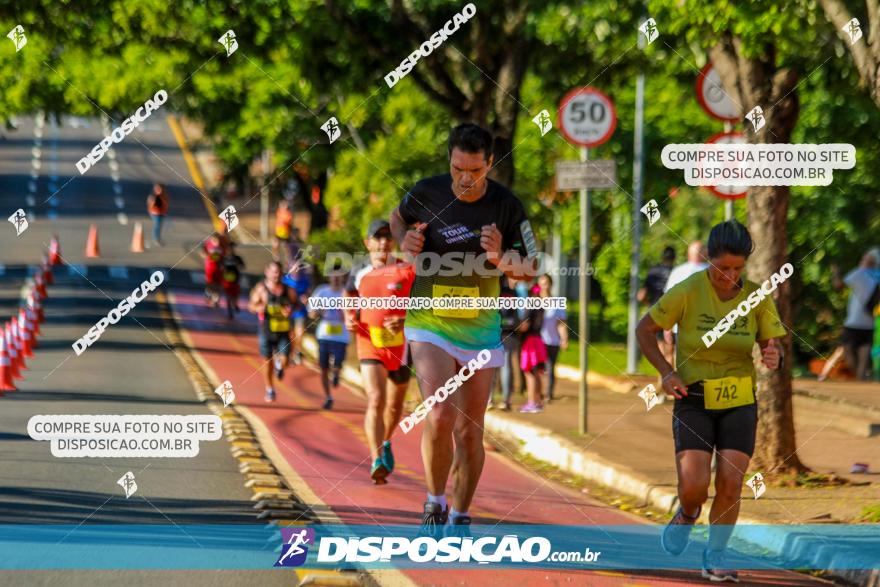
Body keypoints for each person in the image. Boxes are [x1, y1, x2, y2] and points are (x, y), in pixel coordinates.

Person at [389, 123, 537, 531]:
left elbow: (532, 266)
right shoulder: (426, 192)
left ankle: (461, 513)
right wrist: (405, 243)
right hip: (429, 322)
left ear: (490, 164)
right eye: (458, 169)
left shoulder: (508, 206)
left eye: (475, 170)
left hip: (481, 329)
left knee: (471, 431)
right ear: (449, 161)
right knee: (439, 413)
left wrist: (501, 258)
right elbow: (396, 218)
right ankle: (434, 502)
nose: (465, 179)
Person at [635, 220, 785, 582]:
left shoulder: (756, 296)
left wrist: (772, 353)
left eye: (737, 269)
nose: (730, 276)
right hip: (693, 397)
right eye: (722, 268)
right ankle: (687, 514)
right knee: (694, 488)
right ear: (708, 260)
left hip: (739, 398)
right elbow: (645, 329)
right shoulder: (687, 290)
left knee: (732, 482)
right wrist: (666, 372)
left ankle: (715, 553)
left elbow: (771, 342)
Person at [344, 219, 416, 484]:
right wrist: (348, 316)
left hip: (401, 346)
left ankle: (386, 441)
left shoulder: (407, 270)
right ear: (368, 243)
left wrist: (406, 319)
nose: (383, 242)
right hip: (368, 341)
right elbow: (348, 296)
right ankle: (376, 459)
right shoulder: (359, 272)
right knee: (376, 398)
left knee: (395, 406)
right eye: (378, 237)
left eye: (387, 237)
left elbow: (424, 305)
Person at [248, 261, 298, 402]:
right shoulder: (261, 289)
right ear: (267, 272)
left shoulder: (288, 290)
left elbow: (297, 304)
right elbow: (251, 306)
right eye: (273, 272)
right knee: (266, 361)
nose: (276, 275)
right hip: (266, 331)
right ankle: (270, 389)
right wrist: (259, 308)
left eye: (278, 272)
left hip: (283, 331)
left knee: (286, 360)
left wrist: (291, 310)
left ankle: (279, 366)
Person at [831, 248, 880, 380]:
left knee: (847, 350)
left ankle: (859, 380)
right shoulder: (878, 275)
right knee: (864, 354)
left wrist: (835, 272)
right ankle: (862, 379)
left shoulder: (859, 274)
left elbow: (838, 286)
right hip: (870, 322)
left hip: (854, 322)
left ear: (867, 260)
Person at [309, 268, 350, 410]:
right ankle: (328, 396)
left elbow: (354, 315)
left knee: (338, 363)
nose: (337, 279)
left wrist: (344, 314)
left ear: (344, 278)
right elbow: (311, 314)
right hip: (324, 334)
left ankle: (337, 374)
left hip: (341, 336)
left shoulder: (347, 293)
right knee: (324, 368)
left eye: (340, 277)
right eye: (334, 276)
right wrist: (320, 311)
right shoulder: (322, 292)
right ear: (329, 278)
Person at [490, 278, 521, 411]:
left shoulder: (493, 291)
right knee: (506, 365)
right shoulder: (514, 293)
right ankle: (506, 400)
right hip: (510, 332)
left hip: (493, 331)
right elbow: (519, 314)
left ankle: (489, 400)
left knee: (492, 367)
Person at [538, 274, 568, 402]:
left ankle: (549, 393)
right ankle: (536, 392)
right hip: (538, 340)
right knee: (538, 367)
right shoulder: (534, 301)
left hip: (553, 340)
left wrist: (564, 338)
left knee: (550, 366)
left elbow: (561, 323)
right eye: (543, 283)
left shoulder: (557, 302)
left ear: (551, 284)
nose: (546, 286)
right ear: (539, 285)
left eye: (547, 283)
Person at [519, 284, 547, 413]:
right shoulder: (540, 306)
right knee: (537, 373)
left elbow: (524, 326)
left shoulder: (530, 307)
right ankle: (538, 401)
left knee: (529, 373)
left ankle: (532, 402)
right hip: (538, 340)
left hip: (530, 342)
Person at [221, 241, 245, 320]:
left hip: (235, 280)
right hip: (226, 281)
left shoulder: (237, 258)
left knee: (235, 296)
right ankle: (230, 312)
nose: (230, 250)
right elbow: (220, 267)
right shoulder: (224, 258)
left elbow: (243, 267)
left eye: (231, 249)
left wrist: (238, 265)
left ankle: (235, 305)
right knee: (228, 297)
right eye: (228, 249)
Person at [200, 233, 226, 307]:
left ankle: (216, 301)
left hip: (219, 268)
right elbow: (202, 253)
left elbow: (224, 255)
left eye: (218, 241)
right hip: (210, 268)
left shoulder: (222, 245)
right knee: (210, 285)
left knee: (218, 285)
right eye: (215, 241)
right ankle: (208, 296)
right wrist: (207, 255)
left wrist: (223, 264)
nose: (217, 243)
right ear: (212, 239)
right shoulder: (208, 244)